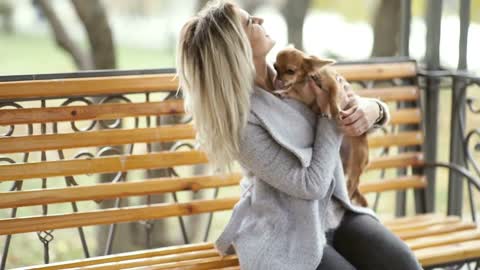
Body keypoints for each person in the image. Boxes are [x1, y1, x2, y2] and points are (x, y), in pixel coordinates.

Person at [177, 1, 423, 269]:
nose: (259, 19)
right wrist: (329, 114)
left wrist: (372, 110)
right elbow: (311, 185)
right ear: (237, 47)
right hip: (286, 230)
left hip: (334, 212)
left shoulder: (290, 69)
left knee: (403, 264)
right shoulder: (241, 122)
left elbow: (347, 108)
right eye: (249, 22)